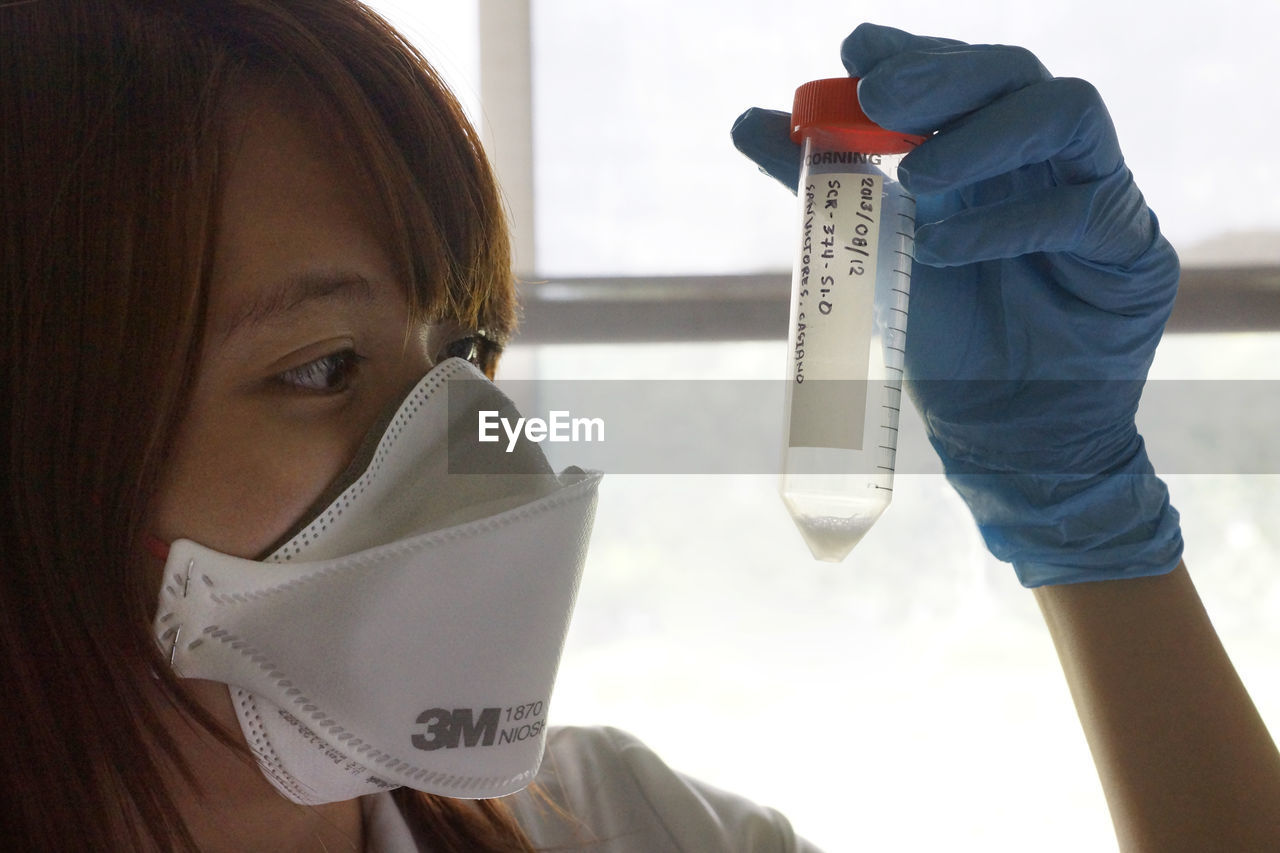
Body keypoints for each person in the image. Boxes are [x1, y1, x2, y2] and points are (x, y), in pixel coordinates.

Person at [0, 1, 1275, 849]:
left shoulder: (617, 823)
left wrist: (1091, 530)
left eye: (469, 351)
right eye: (324, 365)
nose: (473, 440)